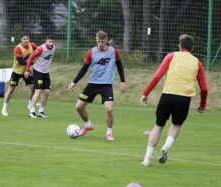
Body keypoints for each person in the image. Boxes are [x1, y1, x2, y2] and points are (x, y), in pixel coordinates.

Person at [140, 34, 208, 166]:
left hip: (167, 96)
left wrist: (145, 93)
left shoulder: (171, 56)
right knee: (176, 125)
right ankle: (166, 146)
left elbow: (157, 76)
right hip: (184, 99)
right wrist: (202, 104)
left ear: (179, 46)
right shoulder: (197, 62)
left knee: (158, 126)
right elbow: (204, 88)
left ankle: (147, 159)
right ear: (192, 48)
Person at [69, 31, 126, 141]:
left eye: (103, 42)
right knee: (79, 107)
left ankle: (109, 133)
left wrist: (122, 81)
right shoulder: (91, 52)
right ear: (96, 40)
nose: (100, 44)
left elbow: (120, 66)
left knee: (109, 109)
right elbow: (84, 68)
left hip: (106, 85)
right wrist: (74, 81)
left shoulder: (114, 52)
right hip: (93, 84)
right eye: (99, 42)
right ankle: (88, 125)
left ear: (107, 40)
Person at [1, 33, 38, 116]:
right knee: (11, 89)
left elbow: (39, 51)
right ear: (21, 40)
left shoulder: (32, 45)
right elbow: (21, 61)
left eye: (27, 39)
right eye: (24, 39)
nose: (26, 40)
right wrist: (32, 62)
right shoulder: (18, 48)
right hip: (17, 71)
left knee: (33, 88)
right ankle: (4, 109)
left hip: (27, 71)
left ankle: (30, 104)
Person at [24, 35, 55, 118]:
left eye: (52, 42)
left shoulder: (53, 48)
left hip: (46, 72)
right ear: (46, 41)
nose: (51, 43)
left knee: (47, 92)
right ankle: (32, 111)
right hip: (38, 72)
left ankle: (41, 111)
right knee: (38, 91)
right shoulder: (41, 49)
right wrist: (27, 70)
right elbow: (30, 58)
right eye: (49, 41)